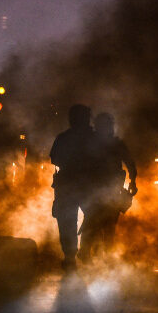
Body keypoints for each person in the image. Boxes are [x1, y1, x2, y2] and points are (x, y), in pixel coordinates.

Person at [78, 112, 137, 261]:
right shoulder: (94, 143)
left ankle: (96, 254)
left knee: (100, 223)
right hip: (97, 190)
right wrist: (132, 182)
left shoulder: (108, 143)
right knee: (96, 223)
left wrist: (133, 182)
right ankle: (92, 253)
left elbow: (130, 164)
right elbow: (130, 164)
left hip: (108, 191)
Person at [49, 104, 93, 271]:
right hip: (82, 184)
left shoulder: (64, 137)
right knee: (90, 217)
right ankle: (75, 254)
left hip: (72, 183)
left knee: (69, 221)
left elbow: (55, 159)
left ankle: (73, 255)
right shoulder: (91, 137)